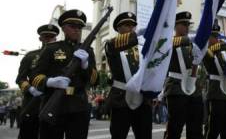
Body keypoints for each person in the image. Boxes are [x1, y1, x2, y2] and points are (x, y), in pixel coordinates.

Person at [31, 9, 98, 139]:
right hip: (54, 103)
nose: (77, 30)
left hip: (78, 106)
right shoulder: (51, 48)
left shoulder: (88, 51)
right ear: (63, 28)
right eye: (72, 26)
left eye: (79, 27)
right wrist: (50, 81)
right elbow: (34, 76)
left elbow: (95, 80)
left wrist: (85, 66)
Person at [104, 12, 152, 139]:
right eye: (127, 25)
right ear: (118, 28)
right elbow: (115, 44)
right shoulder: (111, 44)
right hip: (121, 98)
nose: (131, 28)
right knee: (118, 135)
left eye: (133, 25)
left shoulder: (142, 48)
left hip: (142, 99)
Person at [164, 11, 203, 139]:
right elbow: (173, 43)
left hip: (193, 89)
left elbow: (194, 66)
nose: (187, 27)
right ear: (175, 26)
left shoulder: (191, 44)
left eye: (188, 25)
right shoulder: (169, 42)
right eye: (184, 24)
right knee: (174, 130)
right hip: (176, 88)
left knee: (196, 129)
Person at [16, 24, 59, 139]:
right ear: (40, 38)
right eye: (46, 37)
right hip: (32, 102)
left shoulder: (60, 56)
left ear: (56, 38)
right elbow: (20, 79)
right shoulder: (30, 56)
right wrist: (30, 89)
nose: (49, 39)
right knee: (28, 133)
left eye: (51, 37)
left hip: (52, 102)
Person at [203, 23, 226, 139]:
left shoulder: (225, 51)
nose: (216, 39)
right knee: (213, 130)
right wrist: (223, 45)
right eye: (213, 36)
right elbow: (208, 55)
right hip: (216, 94)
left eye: (217, 36)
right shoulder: (206, 51)